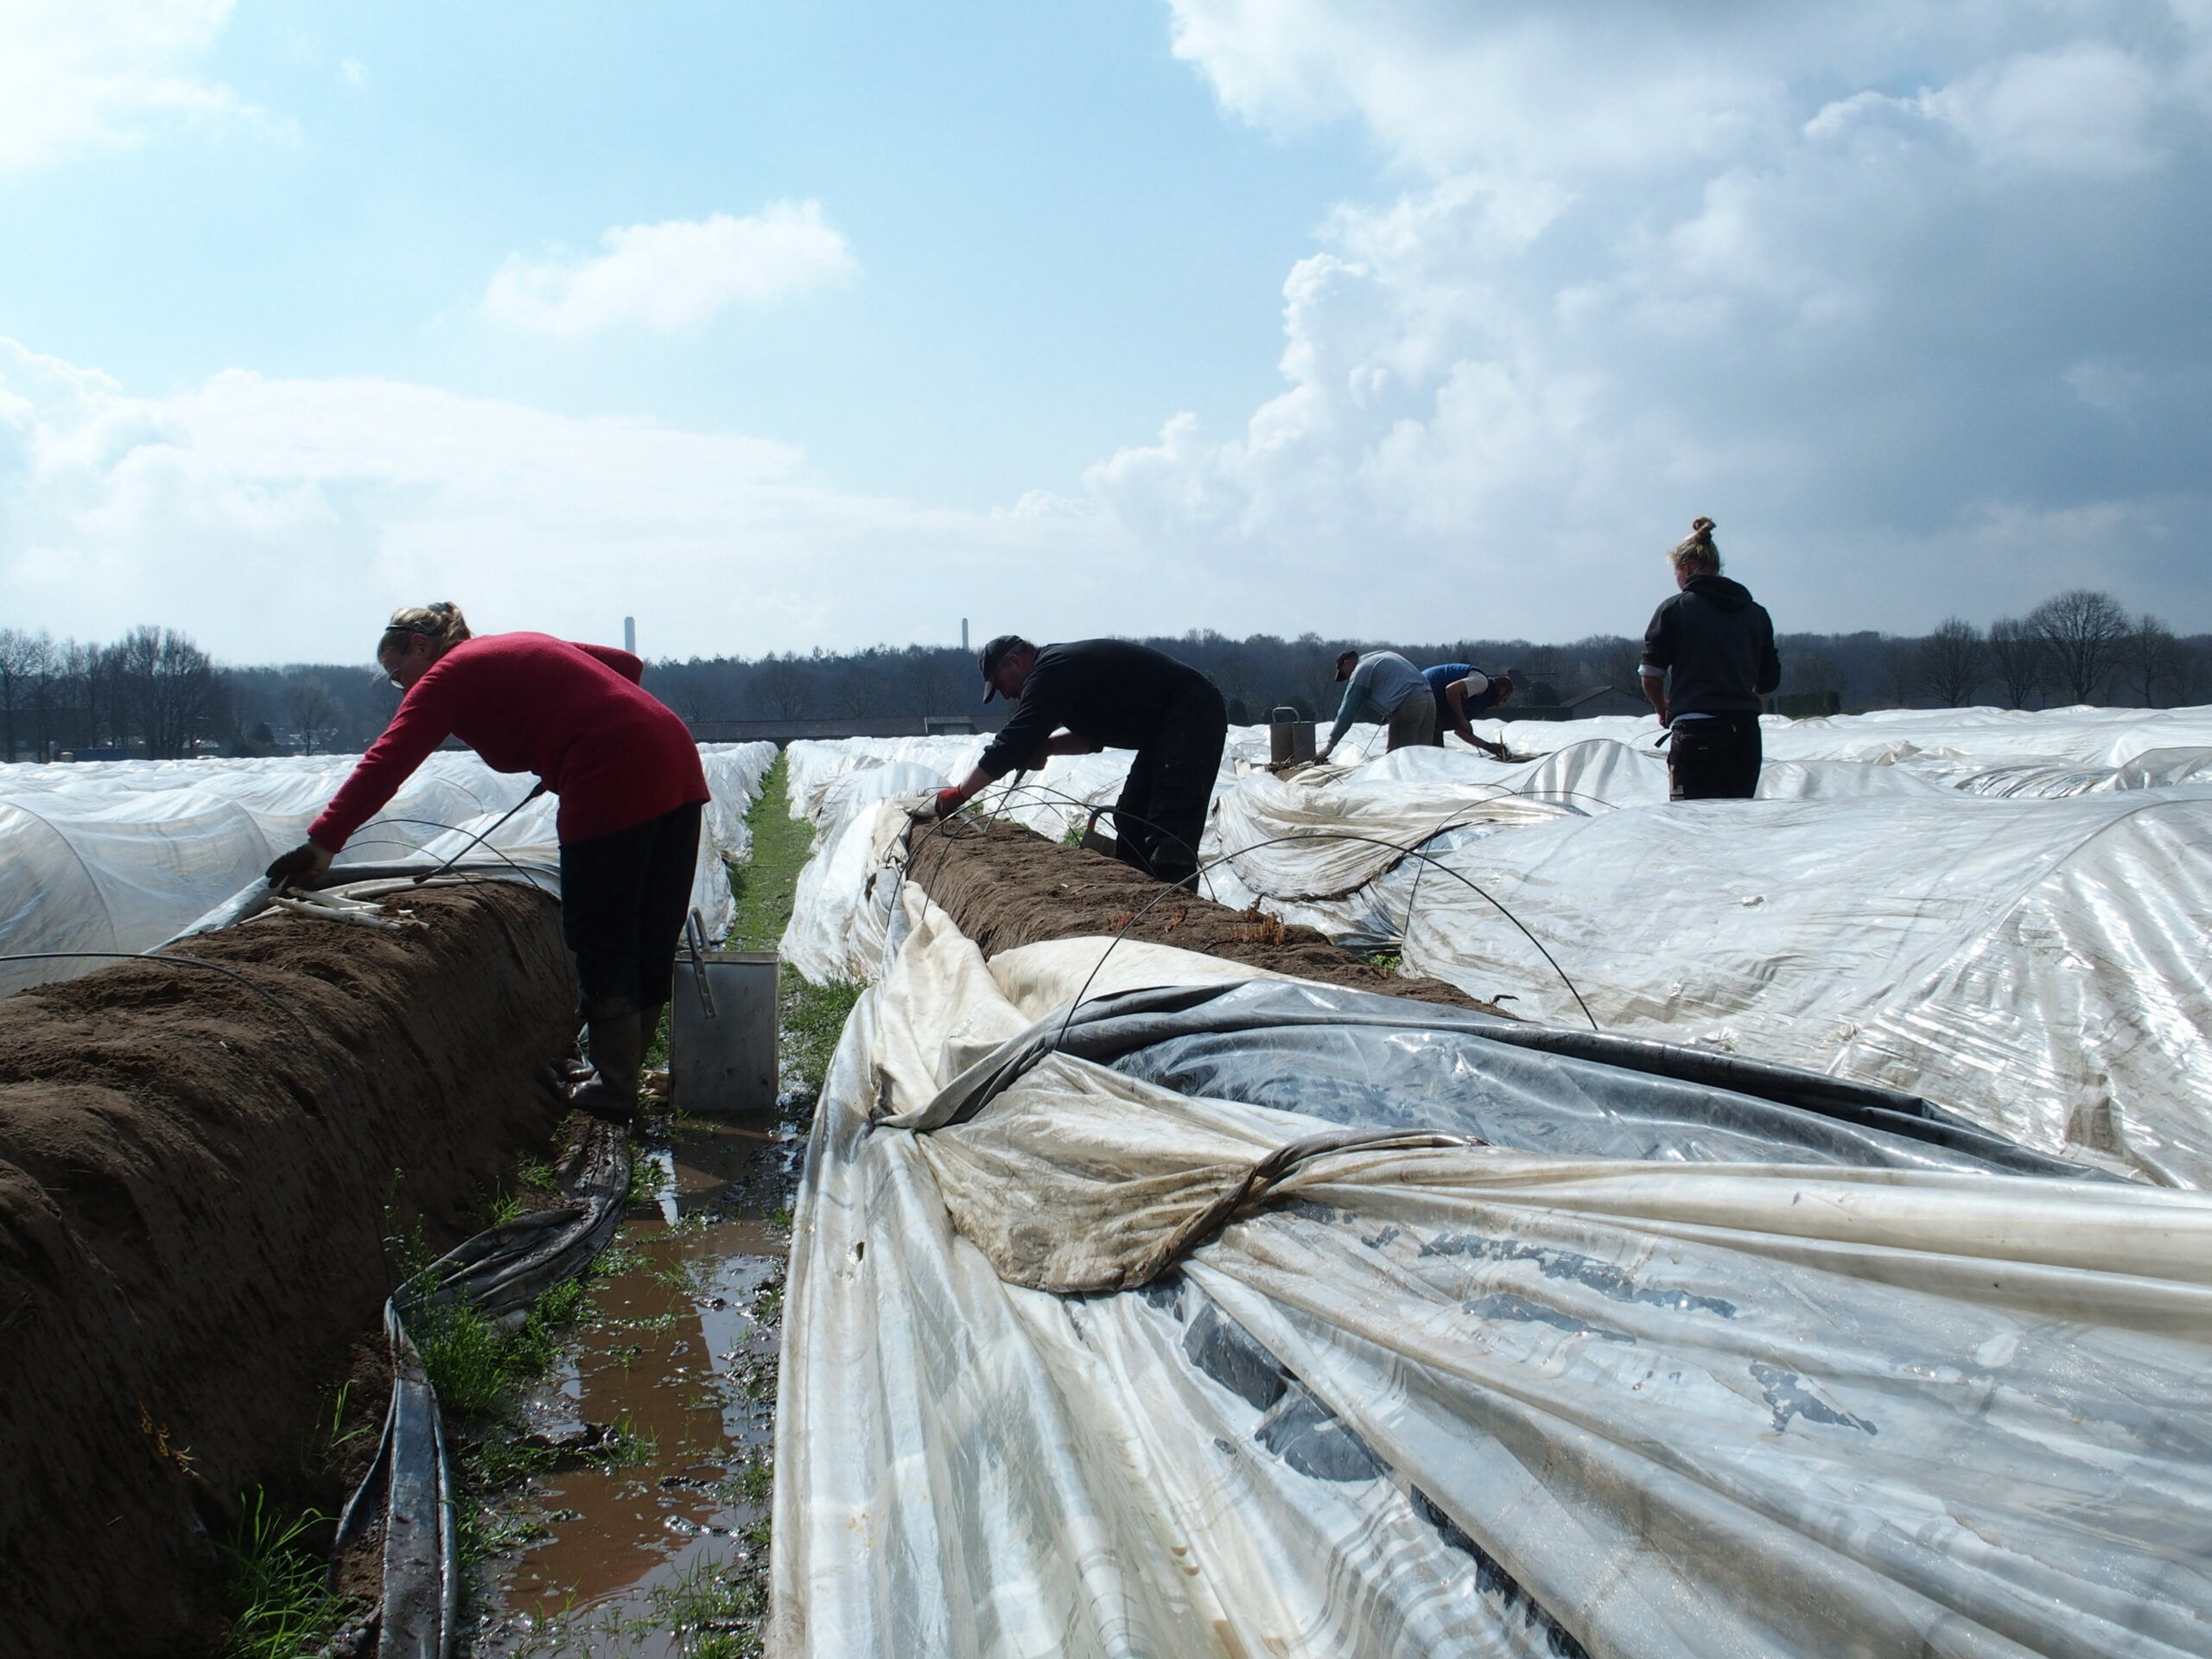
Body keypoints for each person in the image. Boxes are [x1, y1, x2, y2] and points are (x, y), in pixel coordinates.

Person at [264, 602, 709, 1123]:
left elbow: (388, 759)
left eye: (397, 674)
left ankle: (612, 1088)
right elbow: (624, 667)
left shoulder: (447, 674)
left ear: (420, 647)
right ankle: (620, 1075)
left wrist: (323, 842)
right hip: (674, 756)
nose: (402, 688)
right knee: (649, 930)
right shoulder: (506, 646)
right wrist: (564, 726)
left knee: (600, 930)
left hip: (609, 771)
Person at [931, 635, 1227, 889]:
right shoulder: (1062, 676)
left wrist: (960, 793)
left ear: (1015, 661)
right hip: (1164, 729)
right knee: (1130, 816)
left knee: (1168, 825)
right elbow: (1091, 738)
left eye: (1000, 683)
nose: (1006, 694)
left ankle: (1174, 910)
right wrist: (1047, 747)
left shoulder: (1050, 670)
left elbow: (1012, 742)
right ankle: (1143, 900)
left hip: (1192, 713)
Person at [1637, 518, 1782, 800]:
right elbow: (1769, 681)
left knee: (1692, 825)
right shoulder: (1755, 613)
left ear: (1687, 568)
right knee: (1738, 820)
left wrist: (1662, 707)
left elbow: (1650, 675)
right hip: (1745, 736)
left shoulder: (1675, 609)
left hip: (1696, 733)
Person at [1319, 649, 1433, 757]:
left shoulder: (1360, 671)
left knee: (1397, 758)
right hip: (1429, 698)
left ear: (1347, 663)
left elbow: (1347, 711)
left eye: (1344, 674)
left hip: (1408, 703)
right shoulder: (1380, 656)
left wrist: (1330, 745)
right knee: (1422, 756)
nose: (1348, 678)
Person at [1425, 661, 1517, 756]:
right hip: (1425, 691)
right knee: (1430, 753)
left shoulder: (1477, 699)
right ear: (1503, 690)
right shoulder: (1482, 682)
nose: (1499, 704)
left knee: (1433, 751)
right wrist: (1462, 719)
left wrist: (1488, 746)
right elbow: (1451, 690)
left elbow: (1461, 730)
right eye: (1504, 700)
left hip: (1429, 700)